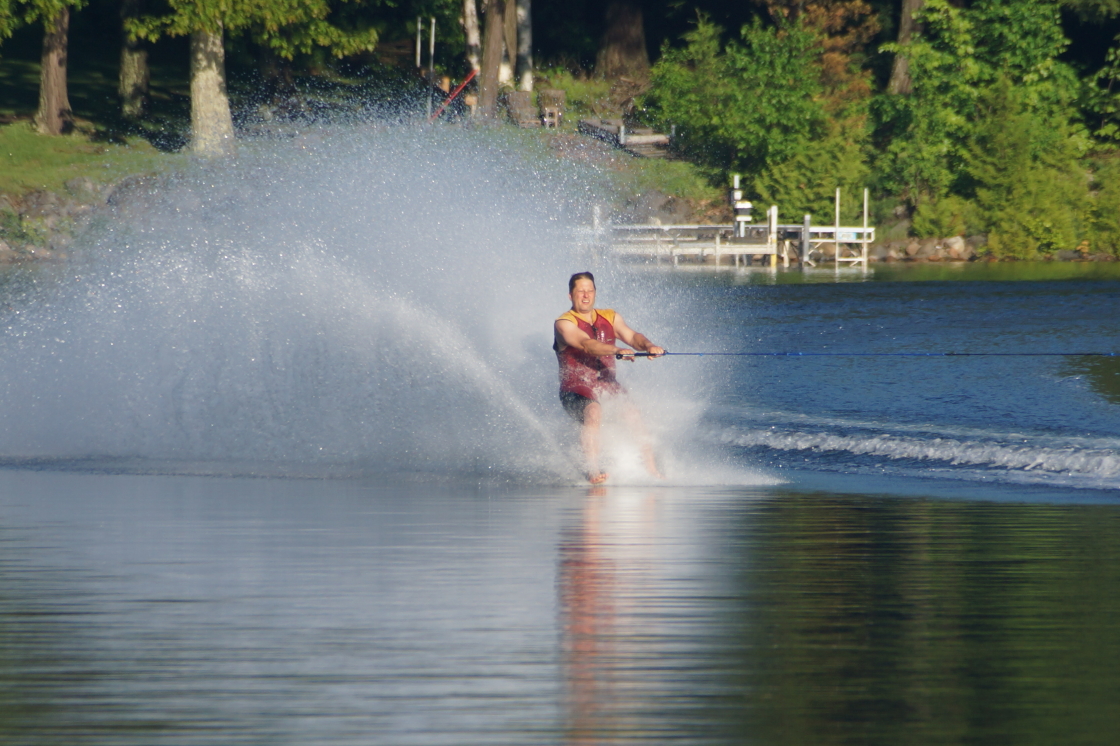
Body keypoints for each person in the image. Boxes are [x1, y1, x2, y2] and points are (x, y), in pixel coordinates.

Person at [553, 272, 665, 484]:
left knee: (632, 414)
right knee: (594, 411)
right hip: (575, 390)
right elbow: (587, 344)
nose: (585, 296)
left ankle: (651, 470)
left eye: (590, 291)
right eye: (580, 291)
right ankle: (593, 471)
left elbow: (632, 337)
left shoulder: (610, 317)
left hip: (607, 386)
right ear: (570, 295)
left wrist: (649, 346)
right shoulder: (563, 324)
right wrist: (615, 350)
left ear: (595, 293)